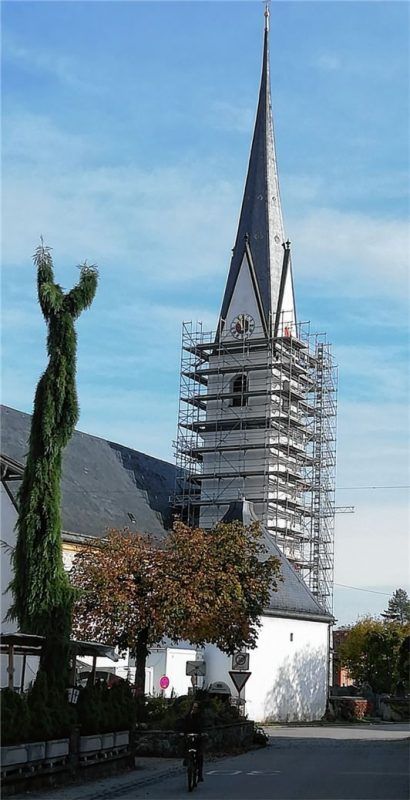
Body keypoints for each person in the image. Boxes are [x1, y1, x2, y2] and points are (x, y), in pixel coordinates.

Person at [183, 700, 204, 782]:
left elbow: (203, 725)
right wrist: (182, 733)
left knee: (200, 753)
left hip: (198, 736)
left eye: (196, 707)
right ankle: (185, 758)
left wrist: (203, 733)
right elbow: (183, 725)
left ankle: (200, 774)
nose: (194, 709)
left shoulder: (200, 717)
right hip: (188, 735)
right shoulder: (188, 716)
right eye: (193, 707)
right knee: (184, 744)